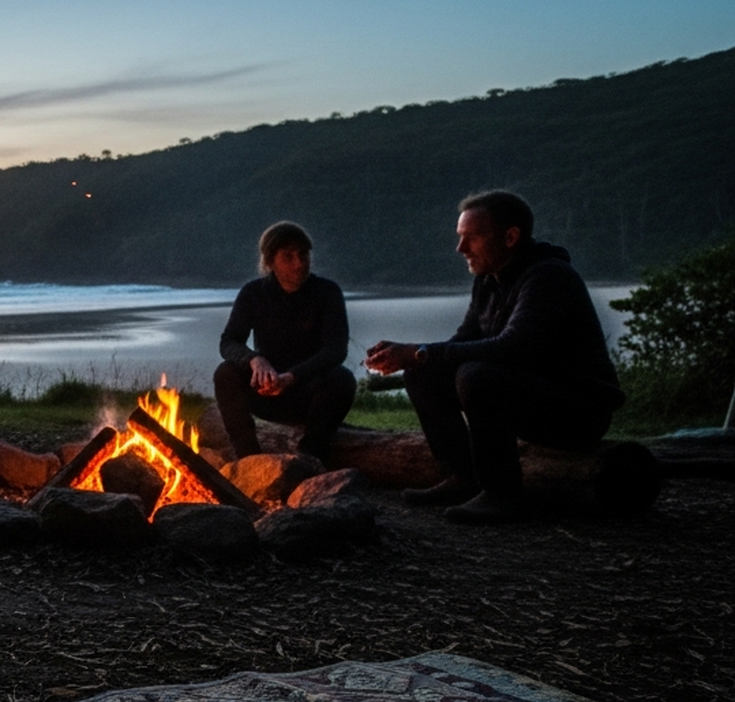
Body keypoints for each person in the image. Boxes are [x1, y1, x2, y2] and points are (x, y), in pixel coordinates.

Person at [363, 190, 624, 524]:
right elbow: (463, 342)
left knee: (475, 376)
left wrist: (420, 351)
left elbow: (515, 347)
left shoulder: (549, 277)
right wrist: (413, 355)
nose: (461, 249)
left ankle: (503, 494)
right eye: (460, 238)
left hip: (577, 409)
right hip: (529, 396)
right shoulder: (488, 281)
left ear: (510, 236)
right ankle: (463, 478)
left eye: (471, 238)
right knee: (422, 372)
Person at [213, 221, 355, 462]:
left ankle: (310, 457)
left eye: (303, 254)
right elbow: (229, 341)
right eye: (288, 257)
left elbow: (336, 349)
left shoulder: (327, 293)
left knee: (342, 379)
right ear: (270, 262)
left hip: (309, 392)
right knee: (225, 373)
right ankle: (248, 458)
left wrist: (292, 377)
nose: (299, 263)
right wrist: (254, 360)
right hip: (266, 392)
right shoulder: (253, 293)